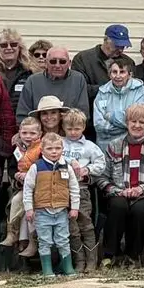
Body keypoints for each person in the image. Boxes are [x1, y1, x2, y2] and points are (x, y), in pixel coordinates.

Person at [98, 104, 144, 268]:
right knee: (118, 207)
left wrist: (142, 189)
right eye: (133, 121)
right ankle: (111, 254)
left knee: (140, 211)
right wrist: (119, 191)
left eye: (142, 122)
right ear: (127, 123)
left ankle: (133, 255)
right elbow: (102, 178)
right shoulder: (114, 145)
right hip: (119, 194)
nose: (137, 126)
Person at [23, 132, 79, 276]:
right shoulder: (36, 167)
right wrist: (29, 209)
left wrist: (74, 208)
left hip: (61, 211)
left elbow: (74, 188)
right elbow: (28, 188)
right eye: (50, 149)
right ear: (42, 150)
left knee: (63, 240)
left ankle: (68, 267)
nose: (54, 152)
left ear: (62, 149)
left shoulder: (67, 167)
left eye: (57, 148)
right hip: (42, 211)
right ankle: (47, 270)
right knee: (44, 241)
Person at [59, 109, 105, 272]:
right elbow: (52, 156)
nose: (73, 132)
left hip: (81, 190)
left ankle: (91, 261)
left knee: (85, 223)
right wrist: (71, 162)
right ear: (64, 127)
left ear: (83, 127)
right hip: (62, 190)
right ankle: (79, 260)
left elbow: (101, 164)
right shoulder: (60, 143)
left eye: (77, 129)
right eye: (69, 129)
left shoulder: (90, 146)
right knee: (71, 227)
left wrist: (88, 170)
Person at [1, 116, 45, 257]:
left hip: (40, 188)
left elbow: (44, 167)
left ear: (39, 134)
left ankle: (31, 242)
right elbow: (13, 168)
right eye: (24, 133)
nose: (28, 136)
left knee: (30, 206)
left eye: (32, 133)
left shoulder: (42, 149)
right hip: (22, 187)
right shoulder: (17, 149)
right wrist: (16, 176)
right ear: (19, 132)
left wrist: (29, 175)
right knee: (16, 200)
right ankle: (12, 233)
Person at [17, 46, 90, 122]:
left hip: (69, 131)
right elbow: (23, 115)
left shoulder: (78, 79)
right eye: (53, 61)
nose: (57, 65)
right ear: (46, 63)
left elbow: (83, 114)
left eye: (62, 61)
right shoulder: (33, 81)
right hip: (39, 132)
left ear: (69, 63)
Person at [94, 57, 144, 149]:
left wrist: (111, 116)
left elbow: (138, 121)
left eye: (122, 72)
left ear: (130, 75)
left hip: (133, 144)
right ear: (110, 75)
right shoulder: (102, 92)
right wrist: (126, 127)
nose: (118, 76)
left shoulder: (140, 90)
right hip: (107, 146)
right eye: (114, 72)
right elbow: (99, 126)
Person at [72, 24, 130, 103]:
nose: (120, 50)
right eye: (117, 45)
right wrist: (109, 88)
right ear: (106, 40)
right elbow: (80, 89)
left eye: (123, 46)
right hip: (92, 111)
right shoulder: (82, 59)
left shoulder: (128, 62)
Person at [0, 28, 36, 102]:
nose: (9, 48)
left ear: (20, 47)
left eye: (13, 44)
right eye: (4, 45)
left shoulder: (30, 71)